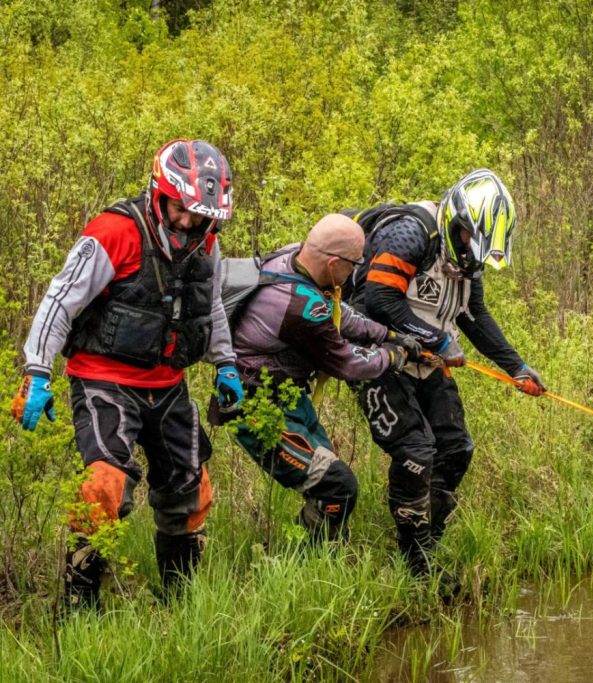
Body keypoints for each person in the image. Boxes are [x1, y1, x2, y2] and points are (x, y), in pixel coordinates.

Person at [10, 139, 243, 608]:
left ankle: (181, 603)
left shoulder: (206, 243)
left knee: (191, 490)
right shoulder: (114, 231)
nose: (188, 223)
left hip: (168, 384)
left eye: (200, 216)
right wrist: (37, 371)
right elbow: (60, 300)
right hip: (104, 379)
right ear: (161, 193)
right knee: (104, 485)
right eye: (181, 209)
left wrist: (226, 362)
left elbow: (210, 304)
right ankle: (80, 609)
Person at [346, 168, 545, 579]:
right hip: (377, 351)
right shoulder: (410, 233)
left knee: (455, 449)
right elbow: (379, 299)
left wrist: (516, 365)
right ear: (457, 222)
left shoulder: (469, 263)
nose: (474, 252)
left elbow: (474, 316)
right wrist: (436, 340)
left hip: (427, 356)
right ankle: (414, 563)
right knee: (416, 451)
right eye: (471, 239)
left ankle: (427, 540)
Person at [218, 214, 422, 544]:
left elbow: (341, 314)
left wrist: (388, 334)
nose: (354, 272)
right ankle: (299, 567)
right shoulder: (298, 306)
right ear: (332, 263)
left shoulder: (295, 259)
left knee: (331, 485)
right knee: (337, 486)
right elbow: (345, 361)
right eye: (354, 264)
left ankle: (317, 561)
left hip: (288, 398)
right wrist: (392, 357)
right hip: (257, 408)